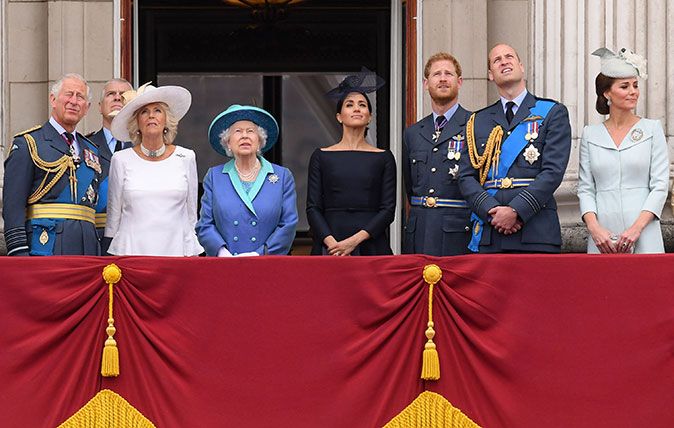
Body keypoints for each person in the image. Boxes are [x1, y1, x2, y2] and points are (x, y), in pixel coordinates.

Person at [458, 43, 572, 253]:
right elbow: (465, 177)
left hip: (536, 231)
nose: (504, 61)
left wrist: (516, 211)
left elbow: (553, 172)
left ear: (521, 66)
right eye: (497, 60)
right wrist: (491, 210)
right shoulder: (477, 121)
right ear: (491, 75)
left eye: (509, 56)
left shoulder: (552, 112)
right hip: (490, 233)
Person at [578, 48, 668, 254]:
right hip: (603, 236)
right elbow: (585, 188)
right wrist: (595, 229)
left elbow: (660, 185)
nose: (633, 91)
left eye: (635, 85)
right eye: (625, 86)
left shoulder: (652, 129)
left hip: (644, 231)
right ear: (607, 92)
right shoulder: (590, 134)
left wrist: (637, 229)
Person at [3, 73, 101, 256]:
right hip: (45, 247)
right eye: (68, 94)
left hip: (87, 250)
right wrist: (19, 253)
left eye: (80, 97)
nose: (74, 101)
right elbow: (13, 206)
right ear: (53, 99)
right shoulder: (29, 143)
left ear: (86, 108)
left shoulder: (92, 150)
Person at [104, 83, 203, 256]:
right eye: (144, 112)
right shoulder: (120, 159)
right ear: (137, 123)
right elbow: (113, 219)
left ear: (166, 120)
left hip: (176, 253)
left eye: (157, 110)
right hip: (131, 253)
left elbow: (191, 216)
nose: (151, 116)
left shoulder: (186, 157)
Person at [306, 68, 396, 256]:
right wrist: (332, 244)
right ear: (339, 116)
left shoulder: (384, 157)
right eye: (349, 104)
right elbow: (313, 208)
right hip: (330, 245)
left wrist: (354, 241)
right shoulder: (321, 156)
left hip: (371, 244)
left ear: (369, 116)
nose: (356, 108)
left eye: (362, 105)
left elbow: (387, 210)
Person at [196, 105, 298, 256]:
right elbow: (205, 224)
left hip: (268, 264)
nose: (245, 136)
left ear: (260, 141)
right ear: (228, 143)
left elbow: (288, 224)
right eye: (237, 131)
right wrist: (221, 252)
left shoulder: (282, 176)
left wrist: (259, 254)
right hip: (226, 265)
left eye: (250, 131)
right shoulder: (214, 176)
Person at [402, 52, 472, 256]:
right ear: (425, 83)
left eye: (448, 74)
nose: (442, 79)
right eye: (436, 74)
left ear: (459, 82)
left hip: (458, 232)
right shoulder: (413, 132)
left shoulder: (475, 125)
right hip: (420, 230)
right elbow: (410, 187)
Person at [87, 78, 133, 240]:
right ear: (99, 107)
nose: (117, 97)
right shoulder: (84, 146)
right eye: (111, 94)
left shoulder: (144, 148)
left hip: (135, 238)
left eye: (123, 95)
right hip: (96, 238)